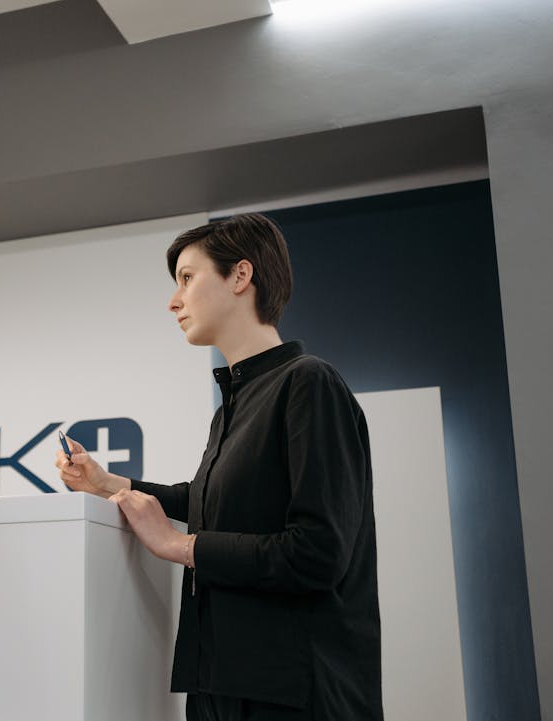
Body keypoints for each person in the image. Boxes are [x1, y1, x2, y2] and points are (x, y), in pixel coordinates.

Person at [56, 214, 382, 721]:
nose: (173, 301)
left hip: (295, 696)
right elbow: (208, 503)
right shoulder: (232, 404)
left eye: (187, 278)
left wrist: (177, 546)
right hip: (218, 686)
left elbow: (318, 553)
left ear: (240, 276)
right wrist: (108, 484)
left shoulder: (309, 384)